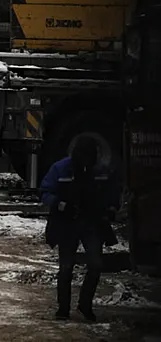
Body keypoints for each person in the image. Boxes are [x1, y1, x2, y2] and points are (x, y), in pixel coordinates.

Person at [39, 137, 119, 322]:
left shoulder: (100, 171)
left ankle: (85, 305)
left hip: (92, 223)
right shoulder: (60, 169)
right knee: (66, 267)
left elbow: (113, 192)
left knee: (95, 265)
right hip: (67, 223)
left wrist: (111, 208)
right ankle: (63, 309)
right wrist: (60, 205)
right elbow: (45, 192)